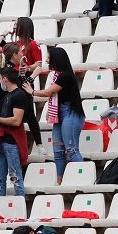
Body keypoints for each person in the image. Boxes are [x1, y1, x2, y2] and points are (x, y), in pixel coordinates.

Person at [33, 47, 85, 184]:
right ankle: (59, 182)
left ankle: (84, 178)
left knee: (71, 149)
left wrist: (31, 91)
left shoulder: (66, 76)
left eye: (49, 57)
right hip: (60, 115)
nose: (46, 60)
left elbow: (48, 93)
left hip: (70, 113)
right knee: (58, 151)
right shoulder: (57, 75)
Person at [0, 66, 32, 197]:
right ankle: (0, 207)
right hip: (2, 141)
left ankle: (20, 205)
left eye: (0, 79)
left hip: (11, 142)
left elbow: (17, 121)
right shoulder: (8, 95)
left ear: (4, 79)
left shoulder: (18, 95)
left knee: (15, 177)